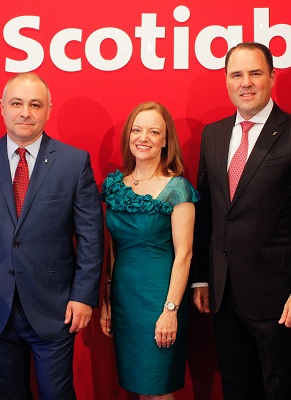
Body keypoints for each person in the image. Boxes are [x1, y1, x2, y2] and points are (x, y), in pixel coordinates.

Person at [0, 72, 104, 400]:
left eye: (35, 105)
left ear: (48, 110)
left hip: (56, 307)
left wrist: (83, 296)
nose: (25, 113)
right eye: (17, 103)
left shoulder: (74, 162)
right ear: (2, 107)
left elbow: (91, 237)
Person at [191, 42, 291, 399]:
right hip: (223, 295)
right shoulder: (213, 134)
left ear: (271, 77)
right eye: (236, 75)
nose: (246, 83)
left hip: (279, 299)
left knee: (282, 390)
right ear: (226, 80)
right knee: (237, 389)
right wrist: (202, 278)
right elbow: (206, 213)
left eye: (255, 73)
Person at [99, 101, 199, 399]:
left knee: (158, 389)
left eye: (154, 132)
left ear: (166, 141)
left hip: (160, 298)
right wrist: (107, 298)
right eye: (137, 130)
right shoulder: (115, 186)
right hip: (124, 300)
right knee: (140, 387)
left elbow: (185, 254)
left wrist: (170, 310)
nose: (143, 138)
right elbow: (114, 247)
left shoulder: (177, 188)